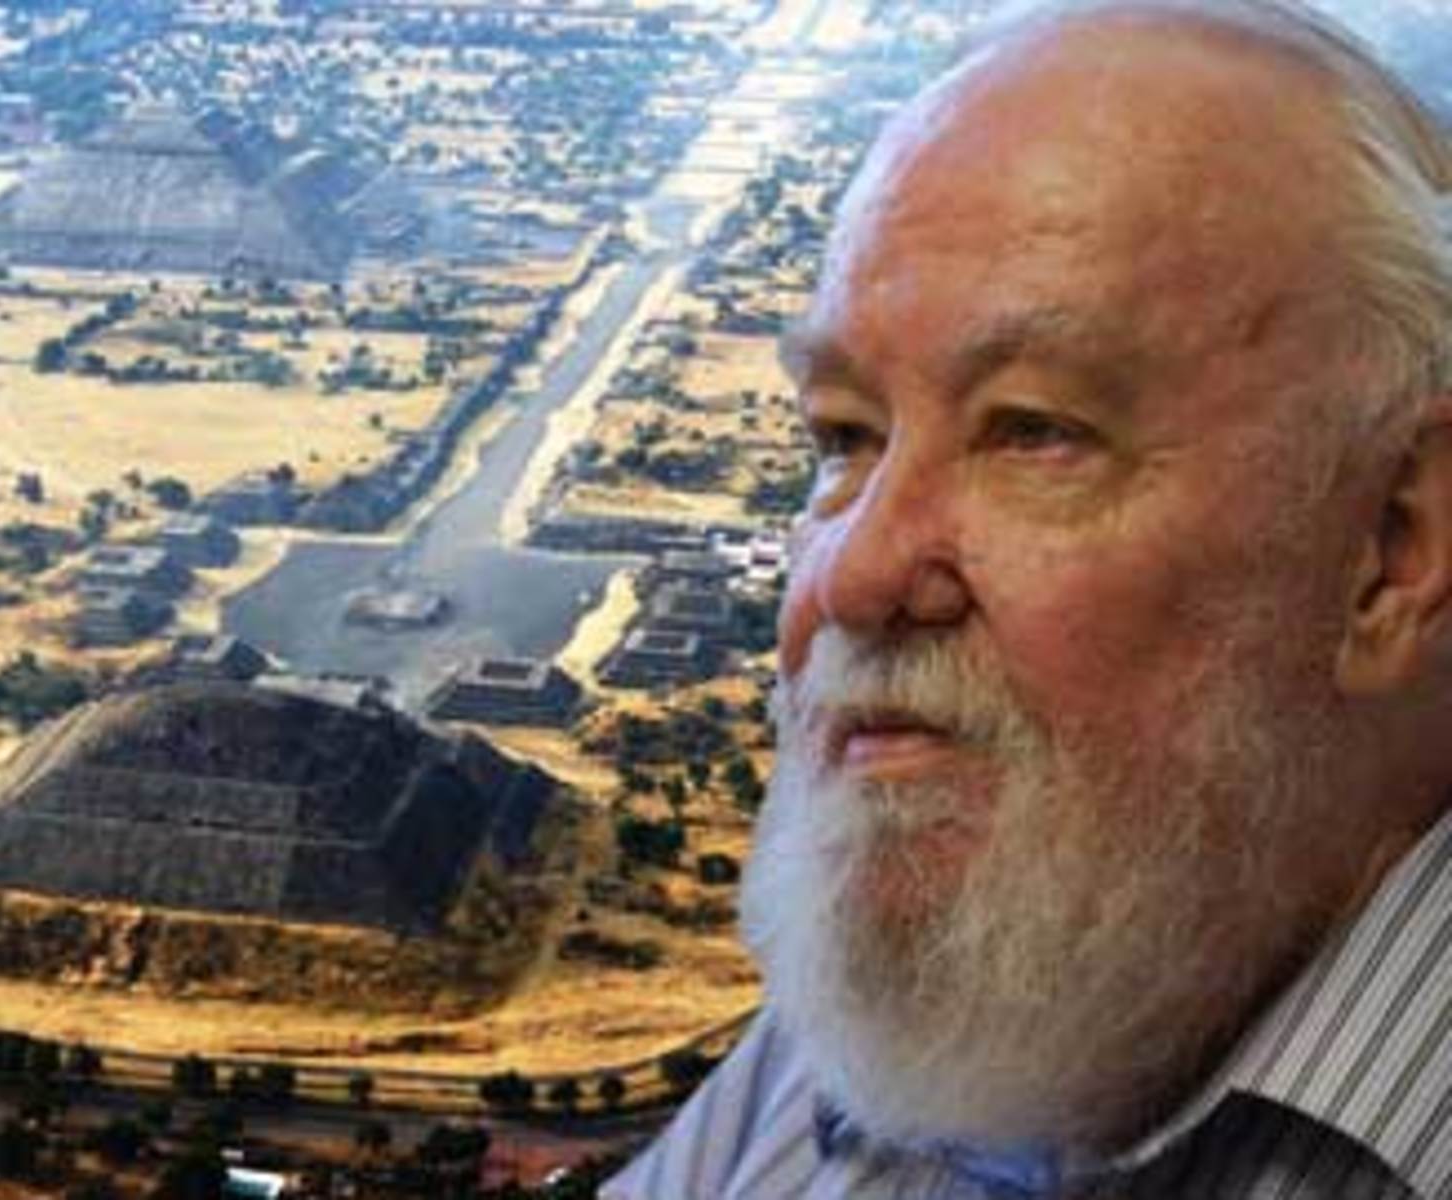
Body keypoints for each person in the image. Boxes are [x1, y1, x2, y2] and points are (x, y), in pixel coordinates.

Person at [604, 1, 1452, 1196]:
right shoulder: (884, 1021)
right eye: (844, 436)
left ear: (1391, 548)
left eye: (1033, 434)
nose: (853, 574)